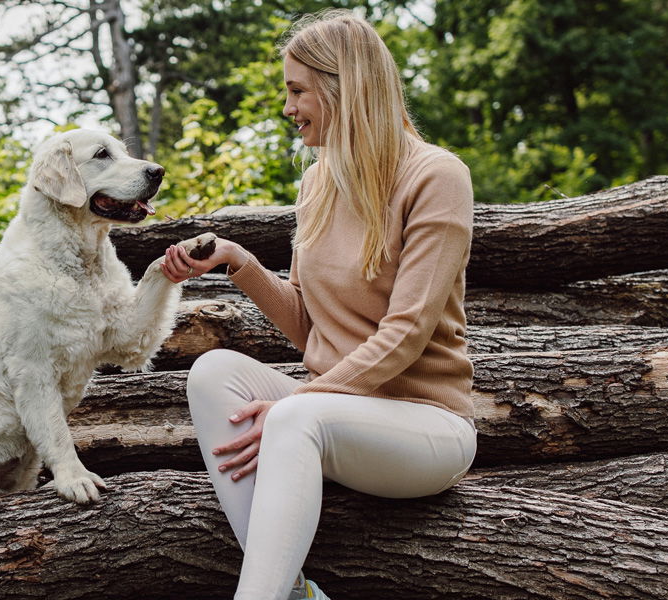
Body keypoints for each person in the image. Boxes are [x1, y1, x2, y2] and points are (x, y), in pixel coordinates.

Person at [159, 9, 478, 600]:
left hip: (427, 426)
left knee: (293, 415)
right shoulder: (317, 184)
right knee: (213, 374)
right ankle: (295, 590)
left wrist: (295, 404)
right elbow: (312, 329)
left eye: (297, 90)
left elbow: (407, 333)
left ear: (343, 88)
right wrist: (239, 262)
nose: (288, 109)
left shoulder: (436, 176)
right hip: (331, 416)